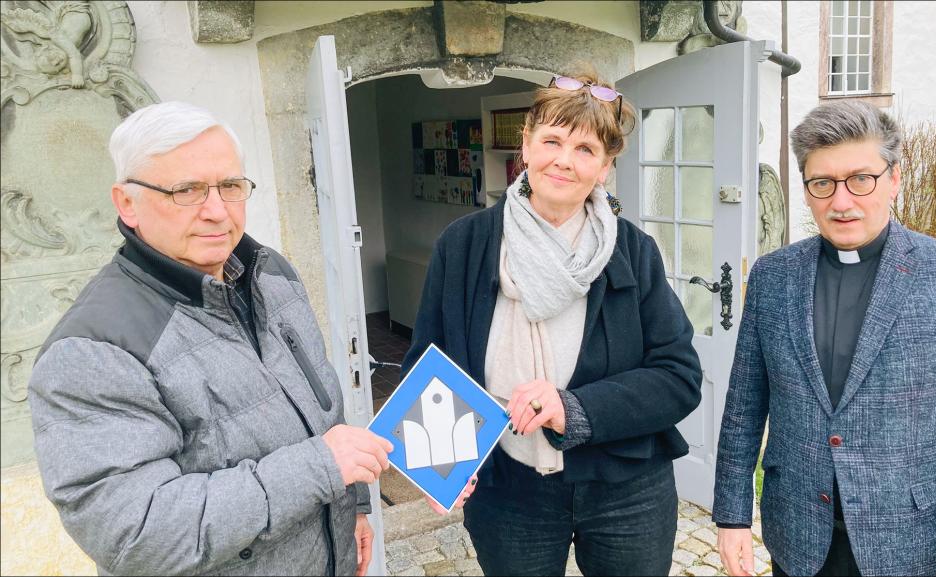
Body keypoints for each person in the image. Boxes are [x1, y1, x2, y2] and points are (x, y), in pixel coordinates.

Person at [27, 101, 395, 576]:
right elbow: (135, 536)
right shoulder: (93, 351)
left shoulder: (272, 274)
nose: (217, 211)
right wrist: (321, 468)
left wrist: (355, 507)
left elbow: (325, 413)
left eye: (230, 186)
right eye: (187, 190)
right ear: (127, 203)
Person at [402, 73, 703, 575]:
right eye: (552, 140)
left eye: (585, 149)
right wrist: (439, 462)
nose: (564, 159)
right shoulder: (464, 245)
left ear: (605, 167)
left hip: (625, 487)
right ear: (526, 144)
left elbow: (679, 377)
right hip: (509, 488)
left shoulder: (633, 251)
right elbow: (428, 365)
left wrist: (574, 408)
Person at [712, 101, 936, 576]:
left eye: (862, 179)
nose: (841, 202)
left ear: (893, 179)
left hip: (913, 546)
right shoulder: (773, 277)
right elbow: (744, 409)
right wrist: (732, 516)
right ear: (807, 188)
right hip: (798, 538)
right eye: (823, 184)